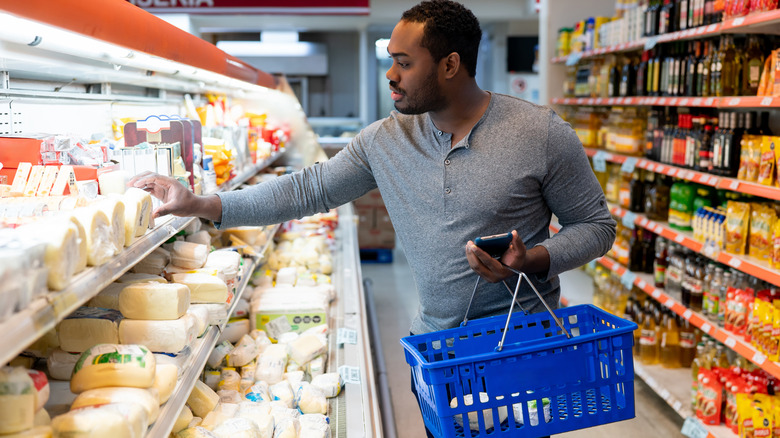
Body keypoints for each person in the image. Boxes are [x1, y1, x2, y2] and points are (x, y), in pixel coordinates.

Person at [130, 0, 614, 432]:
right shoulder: (387, 139)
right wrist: (201, 203)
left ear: (450, 64)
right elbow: (308, 189)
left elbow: (597, 227)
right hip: (438, 350)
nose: (391, 75)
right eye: (390, 62)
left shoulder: (540, 134)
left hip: (521, 346)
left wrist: (534, 258)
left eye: (404, 63)